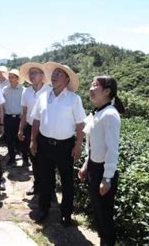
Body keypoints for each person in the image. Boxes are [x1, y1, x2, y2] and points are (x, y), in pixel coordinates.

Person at [30, 62, 86, 225]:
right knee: (45, 179)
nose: (54, 76)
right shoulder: (43, 97)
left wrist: (78, 145)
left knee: (67, 181)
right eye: (54, 73)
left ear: (67, 79)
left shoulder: (74, 99)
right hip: (44, 144)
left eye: (59, 74)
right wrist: (33, 140)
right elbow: (36, 120)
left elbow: (80, 125)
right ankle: (43, 209)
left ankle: (66, 213)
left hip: (65, 146)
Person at [78, 76, 125, 246]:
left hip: (103, 172)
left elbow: (112, 149)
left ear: (106, 92)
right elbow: (93, 146)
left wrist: (107, 178)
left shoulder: (110, 115)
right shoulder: (97, 112)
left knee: (105, 215)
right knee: (98, 212)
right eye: (91, 84)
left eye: (96, 85)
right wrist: (85, 166)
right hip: (93, 168)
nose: (91, 88)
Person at [18, 62, 51, 195]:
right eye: (30, 73)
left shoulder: (49, 90)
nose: (32, 76)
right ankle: (37, 184)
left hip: (45, 130)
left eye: (35, 73)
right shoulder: (26, 91)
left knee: (46, 160)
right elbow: (24, 112)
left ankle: (49, 187)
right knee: (34, 158)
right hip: (30, 128)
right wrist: (21, 129)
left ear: (42, 76)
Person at [2, 69, 25, 166]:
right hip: (8, 117)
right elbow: (2, 105)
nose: (11, 79)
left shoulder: (23, 90)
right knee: (9, 139)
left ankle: (25, 158)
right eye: (9, 77)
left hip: (20, 117)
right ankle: (12, 158)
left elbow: (26, 105)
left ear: (18, 79)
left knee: (21, 138)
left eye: (13, 77)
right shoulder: (5, 90)